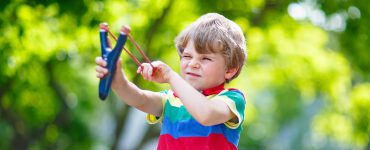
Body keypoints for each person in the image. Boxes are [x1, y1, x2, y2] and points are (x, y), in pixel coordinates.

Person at [95, 13, 247, 150]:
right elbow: (139, 99)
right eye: (187, 56)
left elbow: (206, 114)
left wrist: (171, 76)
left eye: (205, 58)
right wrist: (118, 80)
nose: (193, 63)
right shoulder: (171, 99)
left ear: (230, 70)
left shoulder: (232, 99)